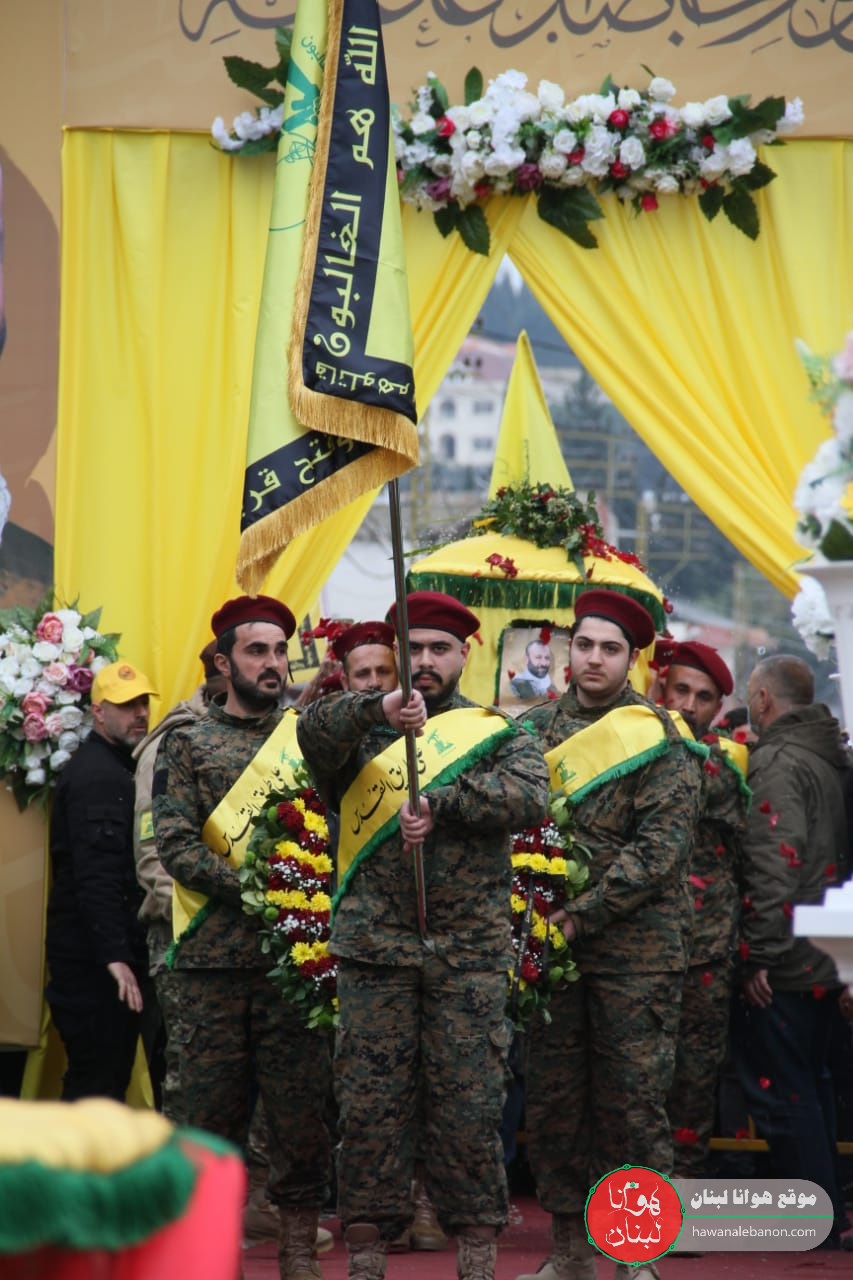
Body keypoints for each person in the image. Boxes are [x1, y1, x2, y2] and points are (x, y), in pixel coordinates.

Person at [297, 590, 551, 1280]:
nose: (427, 661)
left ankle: (476, 1249)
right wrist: (376, 709)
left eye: (440, 649)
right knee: (370, 1104)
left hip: (465, 953)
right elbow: (311, 734)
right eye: (413, 650)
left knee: (470, 1102)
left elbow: (531, 795)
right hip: (376, 949)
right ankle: (367, 1249)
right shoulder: (363, 727)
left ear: (464, 655)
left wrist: (444, 803)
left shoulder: (494, 732)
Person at [518, 589, 702, 1280]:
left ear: (633, 659)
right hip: (550, 951)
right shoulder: (531, 731)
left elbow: (658, 853)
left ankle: (635, 1252)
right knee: (555, 1101)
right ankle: (569, 1251)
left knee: (632, 1102)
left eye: (610, 649)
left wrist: (578, 915)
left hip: (636, 954)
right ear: (569, 649)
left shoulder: (661, 737)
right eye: (585, 645)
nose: (594, 659)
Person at [152, 595, 332, 1280]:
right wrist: (261, 891)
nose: (273, 663)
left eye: (280, 650)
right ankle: (203, 1251)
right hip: (209, 966)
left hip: (294, 964)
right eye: (257, 651)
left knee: (299, 1115)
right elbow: (175, 844)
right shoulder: (187, 741)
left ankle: (296, 1249)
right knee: (203, 1119)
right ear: (224, 663)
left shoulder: (308, 739)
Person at [733, 654, 853, 1245]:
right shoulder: (827, 754)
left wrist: (758, 955)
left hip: (789, 958)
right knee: (815, 1084)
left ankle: (813, 1221)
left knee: (786, 1094)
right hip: (825, 951)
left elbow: (773, 866)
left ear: (762, 700)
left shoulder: (779, 762)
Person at [45, 659, 158, 1101]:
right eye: (127, 705)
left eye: (143, 703)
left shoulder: (119, 765)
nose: (140, 714)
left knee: (104, 1084)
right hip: (95, 968)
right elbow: (97, 877)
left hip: (105, 959)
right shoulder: (98, 776)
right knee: (96, 1089)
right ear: (98, 711)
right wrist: (115, 955)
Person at [661, 641, 749, 1177]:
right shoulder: (631, 746)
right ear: (661, 689)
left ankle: (682, 1184)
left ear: (718, 708)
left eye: (703, 697)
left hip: (704, 948)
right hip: (639, 947)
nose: (689, 705)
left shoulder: (718, 768)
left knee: (693, 1078)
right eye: (681, 691)